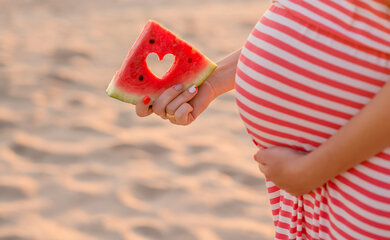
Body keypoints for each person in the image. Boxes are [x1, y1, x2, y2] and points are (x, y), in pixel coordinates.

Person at [135, 0, 390, 239]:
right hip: (315, 177)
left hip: (362, 171)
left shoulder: (313, 171)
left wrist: (311, 170)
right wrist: (211, 80)